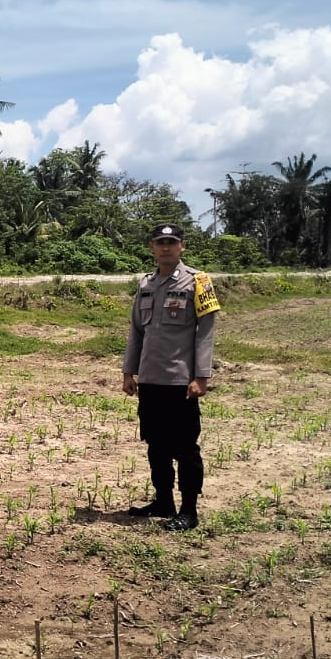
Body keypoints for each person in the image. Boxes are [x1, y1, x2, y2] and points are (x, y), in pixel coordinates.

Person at [121, 223, 220, 532]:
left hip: (181, 381)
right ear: (152, 247)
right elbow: (136, 331)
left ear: (182, 247)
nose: (166, 247)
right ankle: (163, 501)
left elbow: (205, 334)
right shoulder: (146, 284)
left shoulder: (198, 282)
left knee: (186, 447)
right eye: (160, 242)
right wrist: (128, 371)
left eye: (171, 242)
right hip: (150, 379)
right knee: (156, 444)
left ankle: (189, 510)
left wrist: (201, 376)